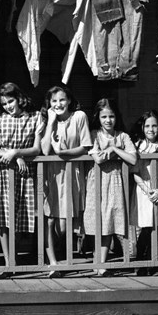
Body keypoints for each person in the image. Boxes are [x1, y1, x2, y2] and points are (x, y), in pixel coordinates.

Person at [0, 82, 45, 278]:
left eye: (11, 101)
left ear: (19, 98)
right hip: (1, 173)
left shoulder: (35, 117)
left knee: (21, 218)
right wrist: (12, 154)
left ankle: (14, 259)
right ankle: (9, 263)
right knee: (3, 219)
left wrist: (17, 152)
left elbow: (36, 149)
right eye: (4, 103)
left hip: (23, 175)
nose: (8, 106)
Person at [40, 85, 92, 277]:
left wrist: (63, 154)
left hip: (71, 172)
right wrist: (51, 123)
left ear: (69, 100)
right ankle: (54, 261)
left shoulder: (79, 117)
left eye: (62, 100)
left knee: (65, 222)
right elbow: (45, 150)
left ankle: (63, 255)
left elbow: (86, 147)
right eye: (54, 101)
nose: (58, 104)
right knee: (50, 219)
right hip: (51, 174)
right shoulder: (46, 120)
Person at [83, 99, 137, 276]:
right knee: (96, 221)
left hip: (114, 181)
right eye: (104, 116)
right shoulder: (93, 134)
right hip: (97, 181)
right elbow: (98, 158)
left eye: (111, 116)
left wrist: (114, 148)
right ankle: (96, 260)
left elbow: (133, 158)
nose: (108, 120)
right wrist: (113, 153)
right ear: (98, 117)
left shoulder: (122, 136)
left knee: (109, 221)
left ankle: (101, 263)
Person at [129, 110, 158, 275]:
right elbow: (134, 172)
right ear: (142, 127)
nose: (151, 129)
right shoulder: (137, 146)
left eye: (154, 125)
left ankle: (152, 262)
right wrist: (147, 189)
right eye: (147, 125)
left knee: (157, 226)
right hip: (145, 191)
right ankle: (141, 262)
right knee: (146, 227)